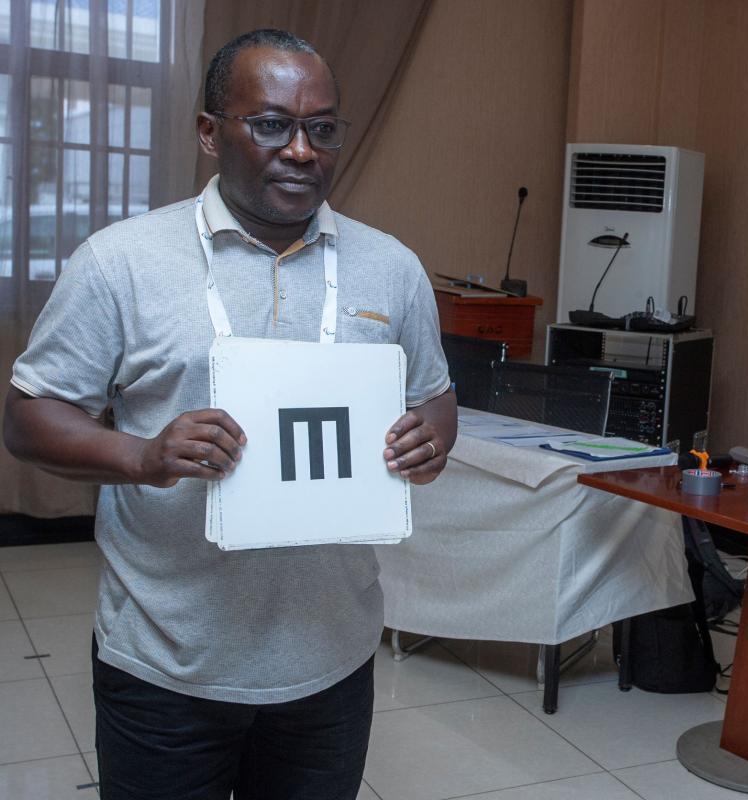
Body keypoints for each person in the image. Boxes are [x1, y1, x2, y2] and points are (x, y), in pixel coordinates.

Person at [3, 29, 456, 800]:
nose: (302, 150)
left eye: (322, 128)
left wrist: (433, 434)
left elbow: (434, 394)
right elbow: (29, 416)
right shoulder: (120, 262)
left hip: (332, 656)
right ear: (211, 133)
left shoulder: (393, 267)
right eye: (273, 124)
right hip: (167, 659)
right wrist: (142, 455)